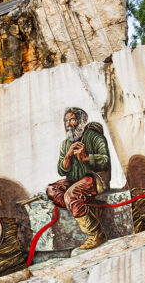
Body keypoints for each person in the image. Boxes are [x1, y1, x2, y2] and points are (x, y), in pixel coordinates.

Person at [46, 107, 111, 250]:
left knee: (71, 195)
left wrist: (86, 158)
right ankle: (81, 205)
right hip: (75, 181)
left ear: (81, 121)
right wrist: (68, 156)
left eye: (72, 120)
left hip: (95, 179)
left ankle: (96, 233)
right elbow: (61, 170)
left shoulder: (94, 137)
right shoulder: (65, 144)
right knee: (51, 189)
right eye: (66, 121)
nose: (68, 124)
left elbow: (105, 160)